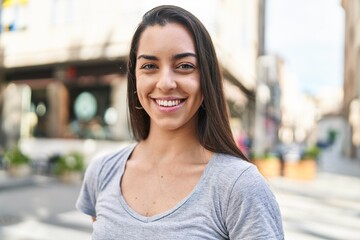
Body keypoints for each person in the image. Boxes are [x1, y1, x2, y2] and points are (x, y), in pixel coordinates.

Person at [76, 5, 284, 239]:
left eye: (184, 66)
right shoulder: (103, 171)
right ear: (135, 77)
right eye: (149, 66)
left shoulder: (240, 186)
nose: (165, 83)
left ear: (206, 78)